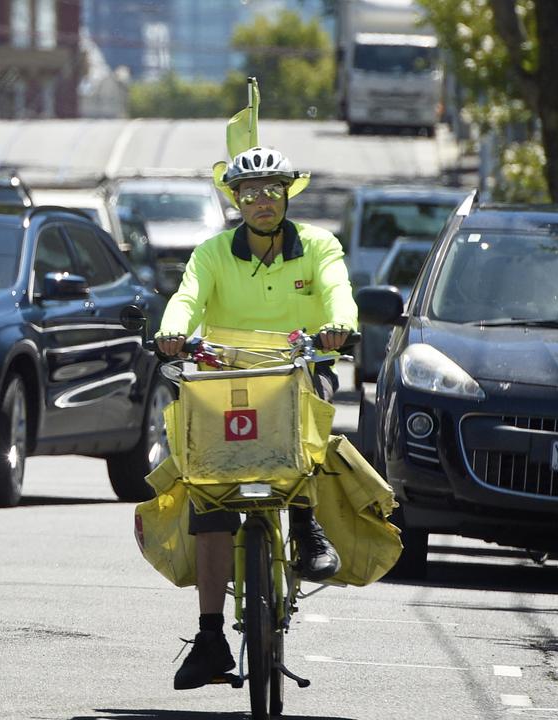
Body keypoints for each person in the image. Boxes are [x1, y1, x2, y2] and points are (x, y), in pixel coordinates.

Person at [156, 145, 358, 690]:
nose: (261, 200)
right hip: (225, 379)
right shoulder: (212, 252)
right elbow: (186, 298)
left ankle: (305, 524)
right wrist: (172, 333)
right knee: (211, 497)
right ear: (235, 200)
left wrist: (339, 326)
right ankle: (209, 636)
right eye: (249, 192)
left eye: (272, 189)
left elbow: (340, 291)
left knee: (310, 406)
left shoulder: (319, 244)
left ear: (288, 193)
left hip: (295, 371)